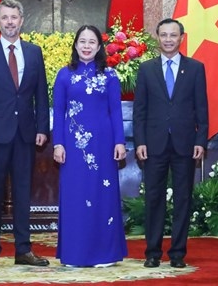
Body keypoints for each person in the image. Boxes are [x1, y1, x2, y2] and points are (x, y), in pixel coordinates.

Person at [0, 0, 51, 268]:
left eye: (14, 17)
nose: (10, 22)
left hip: (26, 135)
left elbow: (40, 94)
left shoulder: (34, 52)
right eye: (5, 18)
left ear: (22, 20)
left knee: (22, 194)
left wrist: (42, 128)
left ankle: (23, 250)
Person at [133, 18, 208, 269]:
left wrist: (201, 140)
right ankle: (152, 252)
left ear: (181, 38)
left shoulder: (196, 68)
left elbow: (202, 109)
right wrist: (140, 141)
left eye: (173, 35)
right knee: (153, 199)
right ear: (157, 37)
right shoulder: (146, 69)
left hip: (185, 144)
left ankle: (178, 253)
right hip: (153, 145)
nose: (168, 39)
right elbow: (139, 110)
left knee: (183, 199)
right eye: (163, 35)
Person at [52, 25, 128, 267]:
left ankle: (104, 254)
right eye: (82, 41)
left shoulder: (110, 75)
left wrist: (119, 141)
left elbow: (115, 110)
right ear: (75, 45)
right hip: (73, 147)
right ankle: (74, 254)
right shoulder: (64, 75)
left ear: (99, 47)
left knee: (103, 195)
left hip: (103, 145)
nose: (86, 46)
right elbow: (59, 111)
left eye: (91, 42)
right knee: (75, 196)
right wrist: (58, 144)